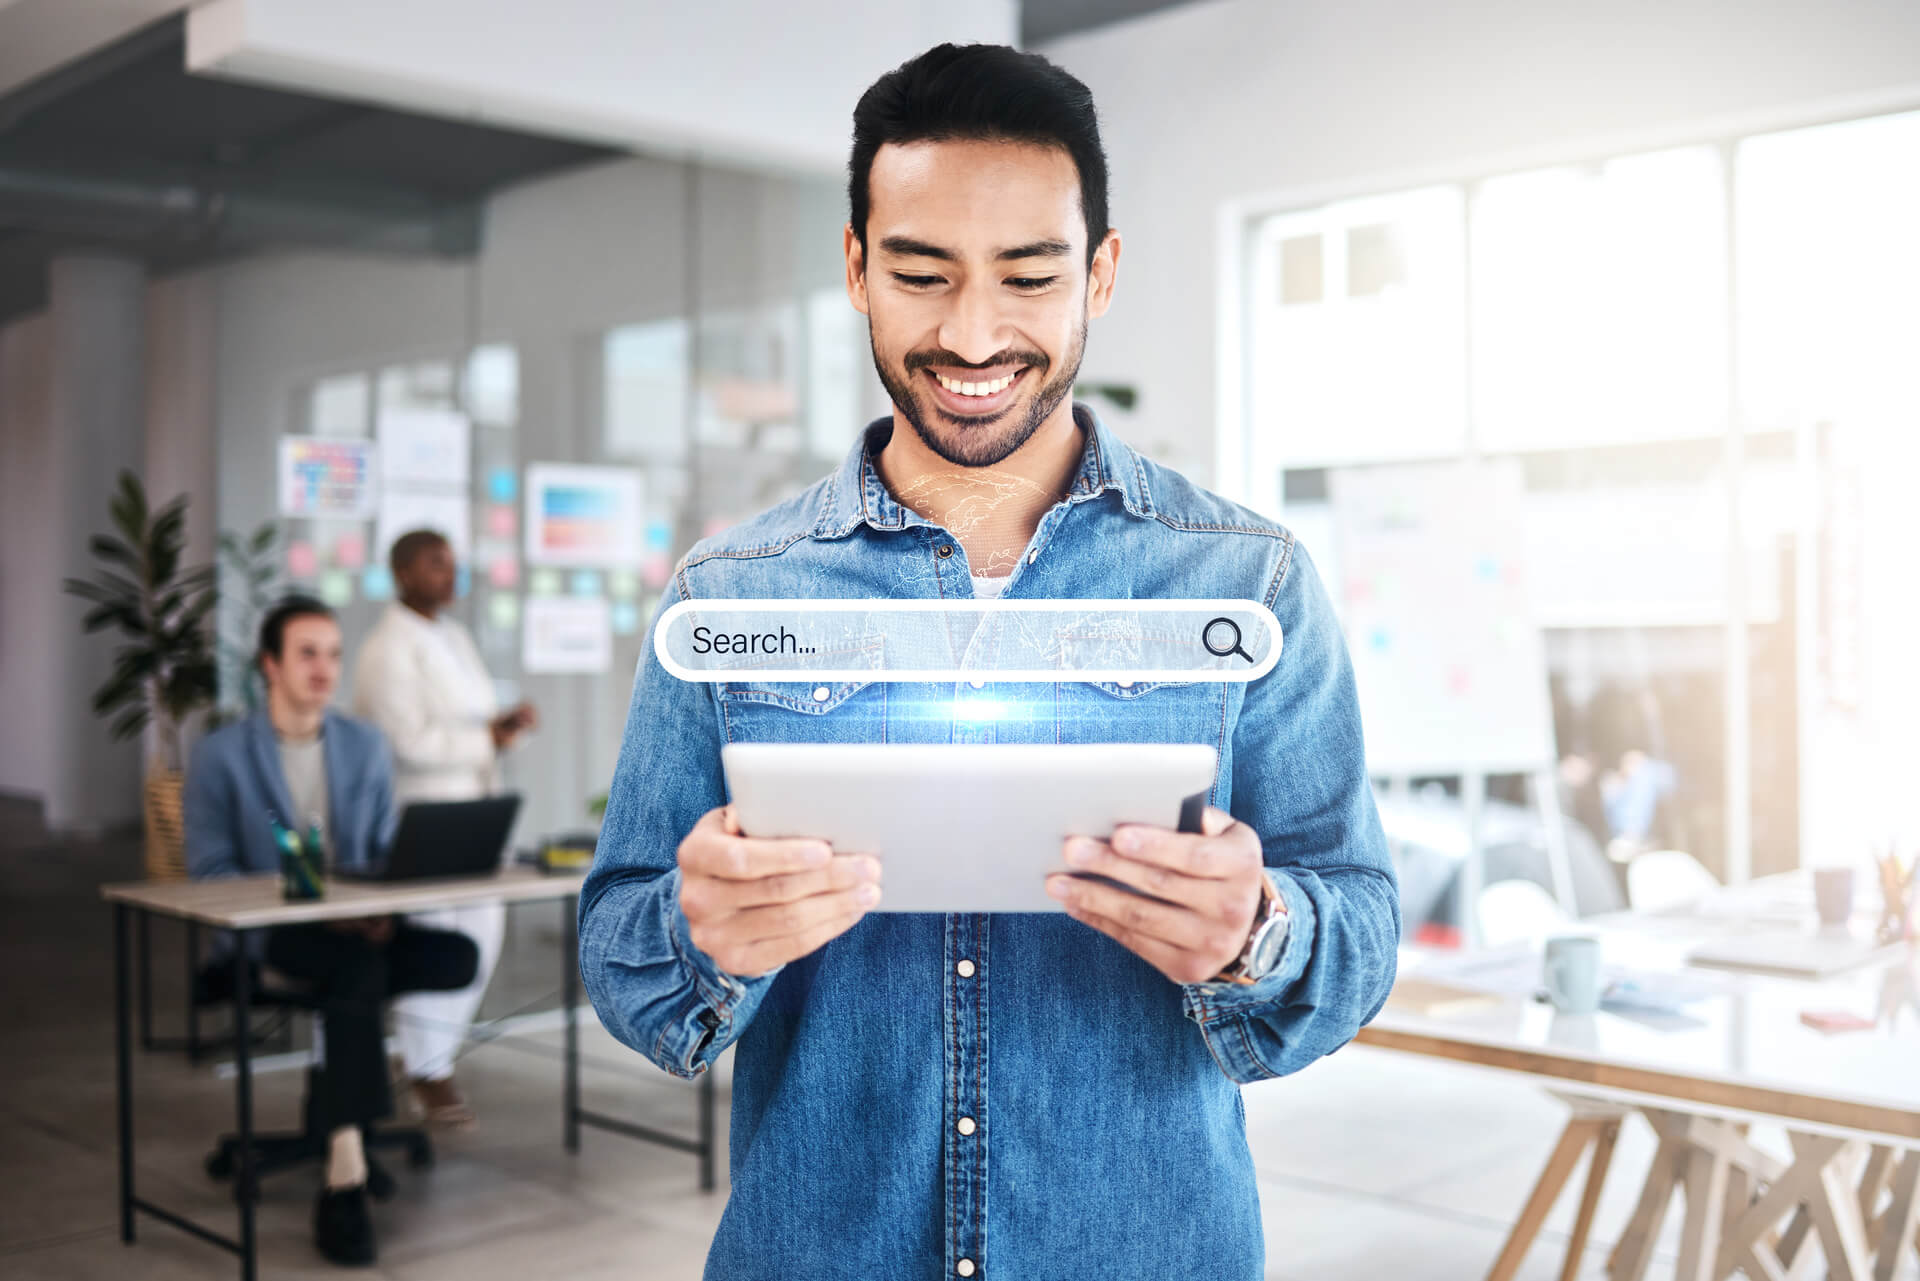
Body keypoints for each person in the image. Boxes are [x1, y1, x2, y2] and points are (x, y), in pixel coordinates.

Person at [579, 44, 1399, 1278]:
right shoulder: (730, 593)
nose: (973, 334)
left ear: (1100, 275)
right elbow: (624, 956)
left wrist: (1261, 930)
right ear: (857, 269)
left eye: (1028, 276)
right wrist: (703, 937)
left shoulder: (1249, 582)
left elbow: (1362, 925)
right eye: (921, 273)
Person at [184, 595, 478, 1267]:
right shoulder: (222, 754)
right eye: (307, 653)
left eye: (334, 654)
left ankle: (338, 1113)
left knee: (453, 954)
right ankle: (344, 1163)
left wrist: (379, 907)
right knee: (356, 972)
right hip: (267, 933)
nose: (325, 668)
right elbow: (207, 872)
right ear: (269, 664)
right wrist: (306, 902)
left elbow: (376, 852)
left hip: (352, 926)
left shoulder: (361, 743)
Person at [351, 529, 535, 1126]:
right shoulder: (386, 649)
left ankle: (432, 1057)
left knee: (482, 935)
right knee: (438, 938)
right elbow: (405, 742)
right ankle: (426, 1067)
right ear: (403, 572)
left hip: (473, 813)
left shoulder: (452, 636)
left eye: (453, 564)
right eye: (436, 565)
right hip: (423, 818)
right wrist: (487, 737)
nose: (450, 576)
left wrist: (500, 726)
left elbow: (470, 719)